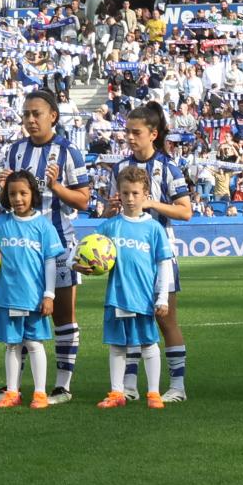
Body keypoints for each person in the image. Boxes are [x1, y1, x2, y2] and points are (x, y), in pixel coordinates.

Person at [0, 89, 89, 404]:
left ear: (54, 116)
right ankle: (13, 386)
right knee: (20, 314)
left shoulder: (68, 152)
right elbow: (8, 199)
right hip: (21, 248)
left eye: (37, 113)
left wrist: (56, 186)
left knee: (62, 315)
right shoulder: (15, 151)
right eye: (26, 114)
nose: (31, 120)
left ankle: (62, 385)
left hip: (59, 245)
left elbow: (85, 200)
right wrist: (3, 187)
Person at [111, 101, 191, 402]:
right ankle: (129, 386)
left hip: (159, 255)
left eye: (136, 132)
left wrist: (151, 203)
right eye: (127, 132)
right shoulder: (119, 168)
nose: (130, 138)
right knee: (128, 316)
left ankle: (177, 387)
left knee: (165, 319)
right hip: (127, 255)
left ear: (153, 134)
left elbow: (186, 211)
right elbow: (111, 209)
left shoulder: (168, 168)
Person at [0, 170, 65, 410]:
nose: (18, 198)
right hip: (7, 296)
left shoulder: (43, 226)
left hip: (34, 298)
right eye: (12, 194)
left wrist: (49, 294)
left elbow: (50, 262)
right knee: (12, 345)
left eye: (23, 193)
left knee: (35, 344)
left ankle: (39, 393)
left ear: (33, 194)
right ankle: (12, 392)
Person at [92, 166, 174, 410]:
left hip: (144, 298)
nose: (129, 199)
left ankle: (153, 393)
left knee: (149, 344)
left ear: (145, 194)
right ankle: (117, 392)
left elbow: (163, 264)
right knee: (117, 346)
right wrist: (85, 263)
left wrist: (163, 298)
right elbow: (87, 249)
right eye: (125, 193)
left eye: (135, 193)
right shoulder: (111, 226)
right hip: (117, 296)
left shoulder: (154, 228)